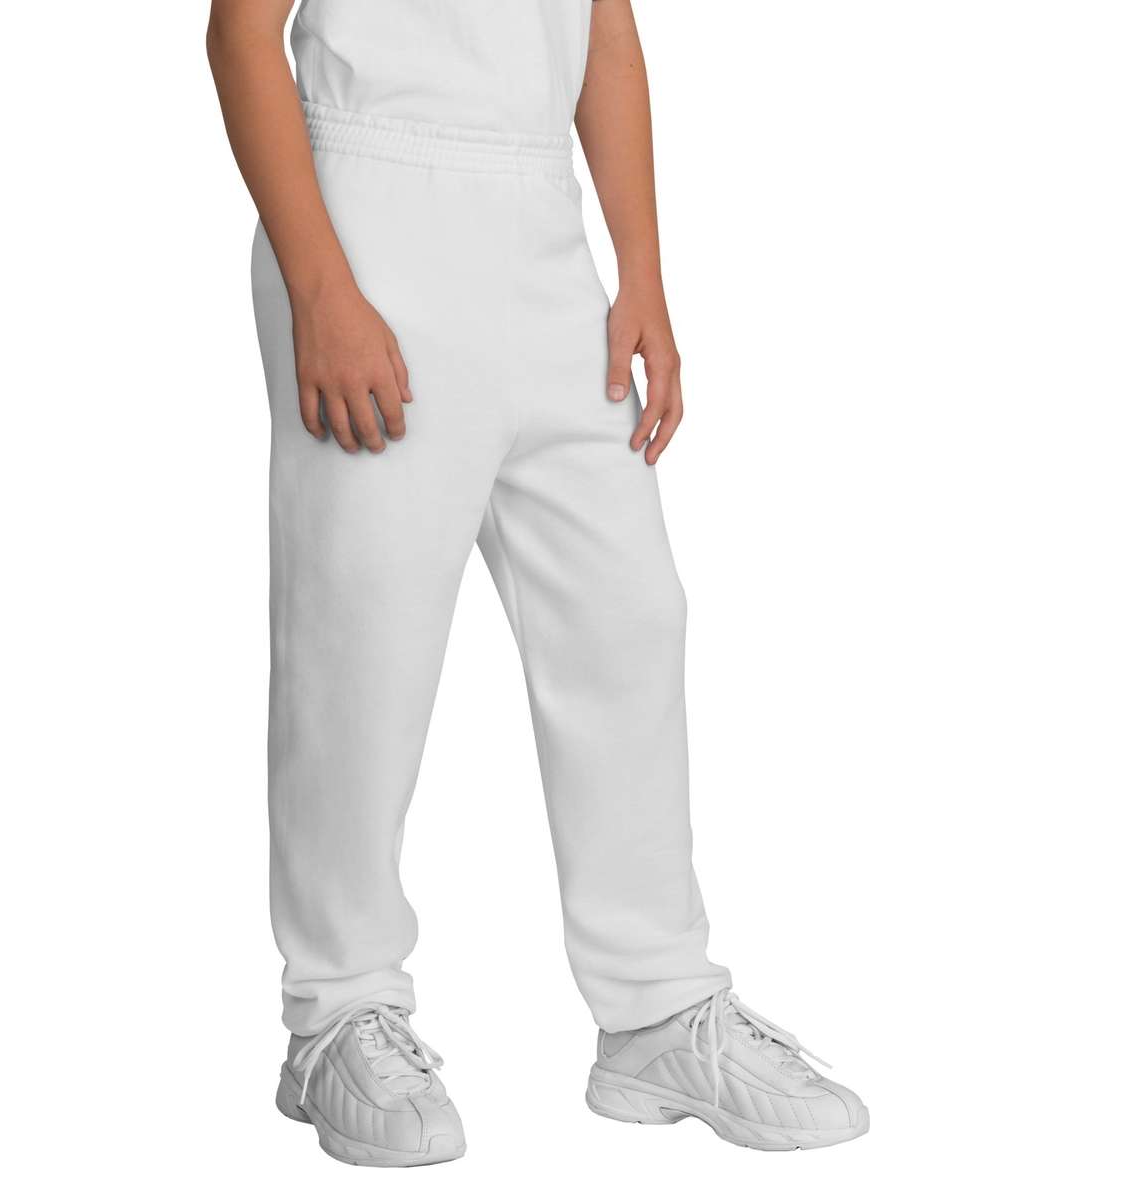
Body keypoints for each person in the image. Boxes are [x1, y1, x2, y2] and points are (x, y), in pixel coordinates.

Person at [207, 0, 868, 1167]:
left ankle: (655, 1007)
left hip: (543, 220)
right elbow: (239, 33)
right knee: (366, 634)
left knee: (627, 617)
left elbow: (603, 28)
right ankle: (337, 1011)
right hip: (372, 207)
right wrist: (320, 288)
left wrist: (641, 269)